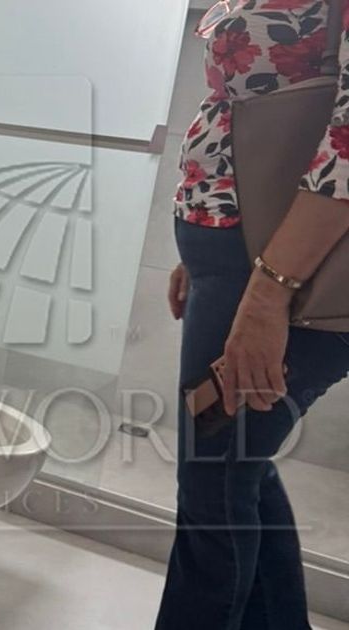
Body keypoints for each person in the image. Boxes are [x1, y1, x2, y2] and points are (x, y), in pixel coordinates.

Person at [156, 1, 349, 628]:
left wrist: (266, 294)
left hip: (284, 280)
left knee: (214, 483)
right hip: (236, 258)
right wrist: (201, 249)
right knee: (234, 471)